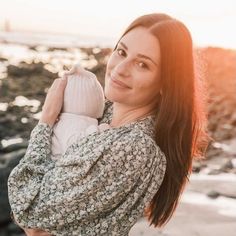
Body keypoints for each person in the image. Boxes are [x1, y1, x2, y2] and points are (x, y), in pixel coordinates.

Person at [7, 13, 208, 236]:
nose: (120, 68)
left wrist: (46, 120)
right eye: (121, 52)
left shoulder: (134, 146)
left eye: (142, 64)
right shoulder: (105, 115)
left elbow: (28, 213)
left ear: (165, 82)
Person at [50, 64, 110, 160]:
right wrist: (97, 130)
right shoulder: (70, 123)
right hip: (59, 167)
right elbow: (73, 145)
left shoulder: (73, 120)